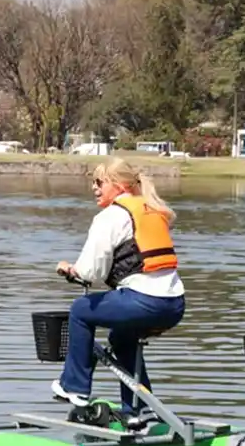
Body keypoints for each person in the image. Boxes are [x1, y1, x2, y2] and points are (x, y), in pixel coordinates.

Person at [53, 157, 186, 420]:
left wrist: (72, 270)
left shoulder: (111, 216)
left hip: (144, 301)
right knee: (121, 338)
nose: (94, 188)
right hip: (174, 304)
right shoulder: (151, 209)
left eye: (100, 182)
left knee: (80, 310)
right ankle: (139, 409)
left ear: (119, 185)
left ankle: (74, 387)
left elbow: (92, 271)